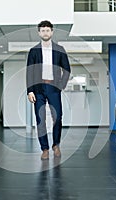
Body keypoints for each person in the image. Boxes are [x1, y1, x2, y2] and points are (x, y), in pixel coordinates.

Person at [26, 20, 71, 160]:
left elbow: (67, 69)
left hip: (53, 87)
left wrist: (61, 86)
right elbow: (29, 72)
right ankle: (44, 148)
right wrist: (30, 90)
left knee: (58, 117)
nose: (45, 33)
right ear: (39, 33)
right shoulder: (33, 51)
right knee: (40, 120)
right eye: (43, 30)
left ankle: (56, 145)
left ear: (51, 32)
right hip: (38, 88)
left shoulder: (60, 49)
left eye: (48, 30)